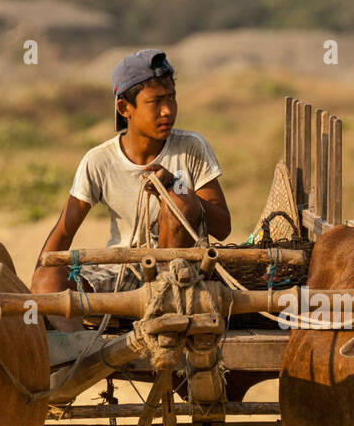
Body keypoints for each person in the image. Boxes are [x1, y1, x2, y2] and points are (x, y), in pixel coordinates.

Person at [30, 49, 231, 330]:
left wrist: (173, 186)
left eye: (172, 98)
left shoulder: (192, 148)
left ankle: (165, 306)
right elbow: (64, 232)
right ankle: (82, 357)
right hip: (119, 271)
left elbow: (223, 228)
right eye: (156, 101)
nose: (168, 110)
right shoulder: (99, 160)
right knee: (48, 281)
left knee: (181, 201)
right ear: (125, 108)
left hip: (181, 277)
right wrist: (39, 281)